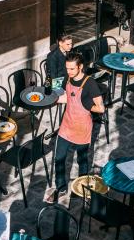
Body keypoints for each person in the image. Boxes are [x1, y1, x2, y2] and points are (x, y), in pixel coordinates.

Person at [45, 52, 105, 205]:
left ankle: (83, 188)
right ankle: (61, 188)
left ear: (80, 67)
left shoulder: (90, 83)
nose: (69, 72)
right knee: (59, 159)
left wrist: (87, 105)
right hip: (66, 126)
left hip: (82, 129)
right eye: (67, 68)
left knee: (82, 161)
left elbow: (101, 108)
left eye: (72, 69)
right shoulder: (68, 78)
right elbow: (68, 98)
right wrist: (51, 100)